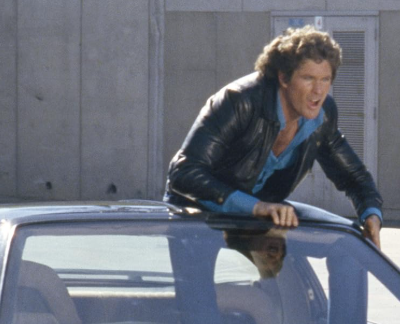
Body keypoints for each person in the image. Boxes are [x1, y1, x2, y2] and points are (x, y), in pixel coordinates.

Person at [164, 25, 383, 247]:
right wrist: (254, 207)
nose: (318, 91)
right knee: (199, 272)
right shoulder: (240, 100)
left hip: (264, 214)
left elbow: (355, 177)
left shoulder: (323, 114)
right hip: (200, 213)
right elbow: (183, 172)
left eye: (325, 79)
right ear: (284, 78)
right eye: (308, 78)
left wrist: (371, 214)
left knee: (350, 241)